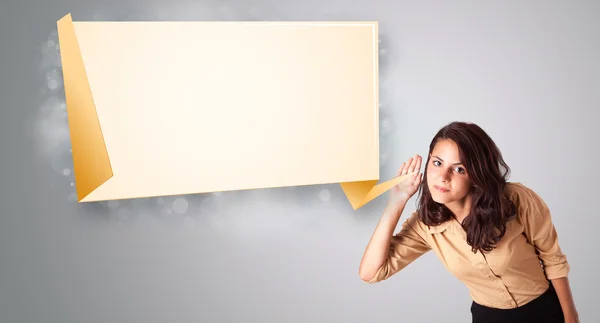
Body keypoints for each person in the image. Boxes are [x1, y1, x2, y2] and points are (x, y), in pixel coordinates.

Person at [358, 121, 579, 323]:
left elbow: (552, 258)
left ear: (476, 174)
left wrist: (570, 318)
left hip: (544, 311)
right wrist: (396, 201)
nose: (443, 176)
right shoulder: (426, 225)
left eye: (459, 169)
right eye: (437, 163)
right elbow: (371, 272)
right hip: (488, 317)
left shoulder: (516, 199)